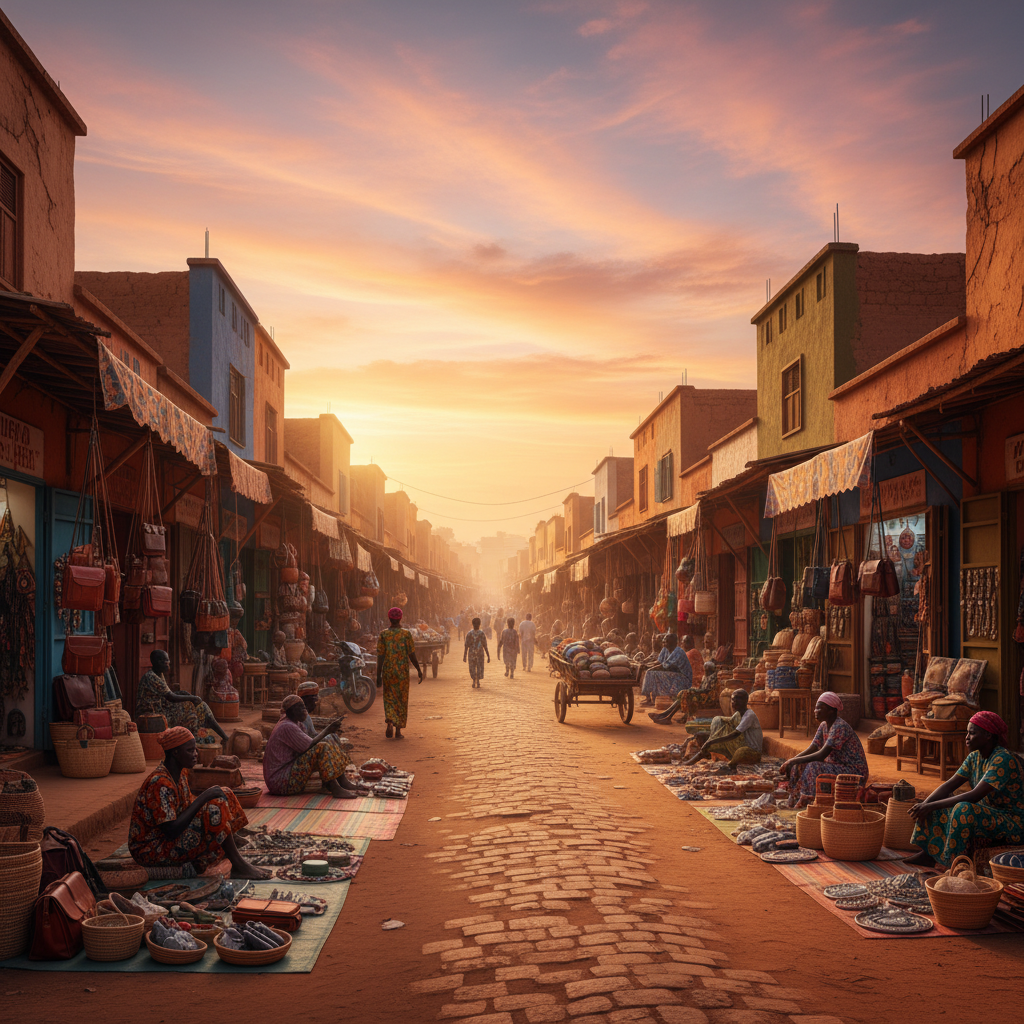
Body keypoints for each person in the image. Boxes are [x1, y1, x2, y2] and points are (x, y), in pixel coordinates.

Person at [129, 727, 269, 879]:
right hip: (152, 850)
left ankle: (230, 843)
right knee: (215, 808)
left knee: (224, 793)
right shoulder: (159, 783)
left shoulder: (180, 774)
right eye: (190, 750)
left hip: (169, 839)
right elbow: (171, 830)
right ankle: (238, 864)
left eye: (195, 749)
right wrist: (205, 796)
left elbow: (186, 808)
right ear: (175, 753)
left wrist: (207, 798)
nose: (196, 754)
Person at [906, 711, 1024, 868]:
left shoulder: (1003, 759)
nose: (967, 737)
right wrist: (924, 805)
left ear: (988, 735)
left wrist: (929, 806)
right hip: (989, 812)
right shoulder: (974, 757)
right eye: (967, 733)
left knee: (963, 808)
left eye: (972, 733)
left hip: (1013, 823)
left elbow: (974, 796)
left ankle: (955, 863)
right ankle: (928, 854)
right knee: (937, 800)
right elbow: (949, 785)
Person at [262, 695, 362, 798]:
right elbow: (309, 745)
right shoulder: (287, 726)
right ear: (291, 711)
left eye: (304, 707)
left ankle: (341, 781)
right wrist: (328, 730)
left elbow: (310, 740)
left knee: (330, 737)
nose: (304, 710)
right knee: (321, 748)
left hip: (287, 771)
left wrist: (330, 734)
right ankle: (334, 787)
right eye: (301, 708)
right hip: (280, 782)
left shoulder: (297, 723)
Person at [779, 691, 869, 806]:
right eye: (816, 708)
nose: (815, 711)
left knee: (813, 766)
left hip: (853, 771)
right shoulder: (824, 726)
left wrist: (792, 761)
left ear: (831, 710)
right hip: (837, 767)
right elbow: (813, 748)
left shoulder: (839, 726)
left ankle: (808, 801)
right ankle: (793, 798)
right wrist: (791, 762)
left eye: (820, 708)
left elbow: (821, 755)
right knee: (799, 764)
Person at [136, 650, 228, 744]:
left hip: (161, 708)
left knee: (199, 706)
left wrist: (186, 694)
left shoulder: (158, 674)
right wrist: (192, 698)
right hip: (153, 713)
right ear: (158, 662)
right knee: (190, 708)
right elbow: (171, 697)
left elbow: (167, 693)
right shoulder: (152, 677)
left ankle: (221, 736)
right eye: (166, 661)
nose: (168, 664)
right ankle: (193, 738)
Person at [682, 688, 763, 768]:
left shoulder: (749, 715)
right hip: (741, 745)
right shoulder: (738, 714)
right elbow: (727, 723)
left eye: (737, 700)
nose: (733, 703)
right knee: (718, 722)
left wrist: (711, 741)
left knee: (740, 752)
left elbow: (735, 734)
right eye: (732, 700)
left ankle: (731, 766)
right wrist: (709, 737)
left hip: (752, 751)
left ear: (745, 701)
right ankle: (693, 760)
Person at [376, 607, 423, 739]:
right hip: (402, 672)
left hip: (388, 671)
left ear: (389, 618)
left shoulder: (383, 634)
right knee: (401, 700)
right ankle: (398, 730)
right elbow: (411, 654)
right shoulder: (406, 634)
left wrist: (378, 675)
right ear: (400, 618)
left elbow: (380, 656)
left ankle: (390, 721)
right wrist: (419, 669)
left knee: (389, 697)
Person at [639, 633, 691, 707]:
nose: (663, 643)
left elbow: (665, 666)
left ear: (672, 643)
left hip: (682, 678)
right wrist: (646, 665)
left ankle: (652, 699)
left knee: (651, 673)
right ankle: (649, 699)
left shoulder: (678, 652)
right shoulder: (665, 649)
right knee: (651, 672)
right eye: (663, 642)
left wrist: (648, 668)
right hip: (672, 674)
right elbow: (658, 662)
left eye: (666, 642)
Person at [464, 616, 490, 688]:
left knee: (472, 668)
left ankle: (474, 681)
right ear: (480, 624)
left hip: (472, 654)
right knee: (479, 667)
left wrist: (465, 655)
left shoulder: (469, 633)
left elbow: (466, 645)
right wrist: (488, 655)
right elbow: (485, 645)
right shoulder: (481, 633)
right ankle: (477, 681)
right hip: (480, 653)